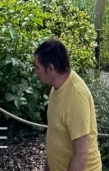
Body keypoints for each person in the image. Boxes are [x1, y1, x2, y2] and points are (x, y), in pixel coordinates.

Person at [34, 38, 102, 171]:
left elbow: (81, 154)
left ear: (50, 68)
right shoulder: (57, 87)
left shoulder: (76, 96)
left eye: (37, 67)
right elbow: (55, 136)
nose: (35, 71)